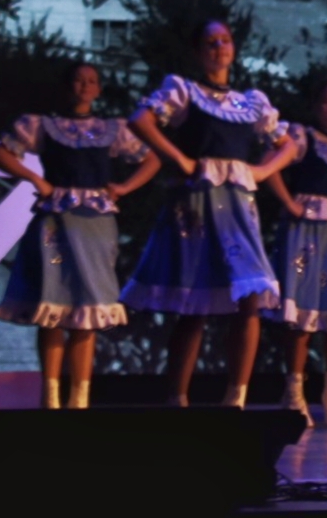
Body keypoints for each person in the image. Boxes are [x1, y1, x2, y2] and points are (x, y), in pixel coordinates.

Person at [124, 21, 303, 406]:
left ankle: (236, 398)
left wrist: (262, 171)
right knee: (194, 304)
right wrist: (179, 159)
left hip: (238, 206)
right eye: (210, 42)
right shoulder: (184, 91)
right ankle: (177, 398)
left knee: (250, 295)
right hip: (198, 204)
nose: (219, 47)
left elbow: (287, 145)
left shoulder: (251, 102)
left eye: (225, 40)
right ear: (198, 51)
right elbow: (140, 121)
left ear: (233, 48)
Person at [0, 61, 160, 408]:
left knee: (88, 312)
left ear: (98, 89)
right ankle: (51, 396)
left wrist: (123, 187)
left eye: (91, 81)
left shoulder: (111, 129)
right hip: (56, 221)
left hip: (96, 224)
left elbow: (152, 160)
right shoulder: (45, 126)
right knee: (52, 309)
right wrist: (36, 180)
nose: (85, 86)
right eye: (79, 80)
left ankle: (79, 399)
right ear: (67, 86)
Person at [262, 78, 327, 427]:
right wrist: (289, 203)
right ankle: (294, 392)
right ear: (314, 105)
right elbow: (269, 167)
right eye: (326, 101)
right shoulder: (300, 137)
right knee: (301, 314)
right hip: (304, 229)